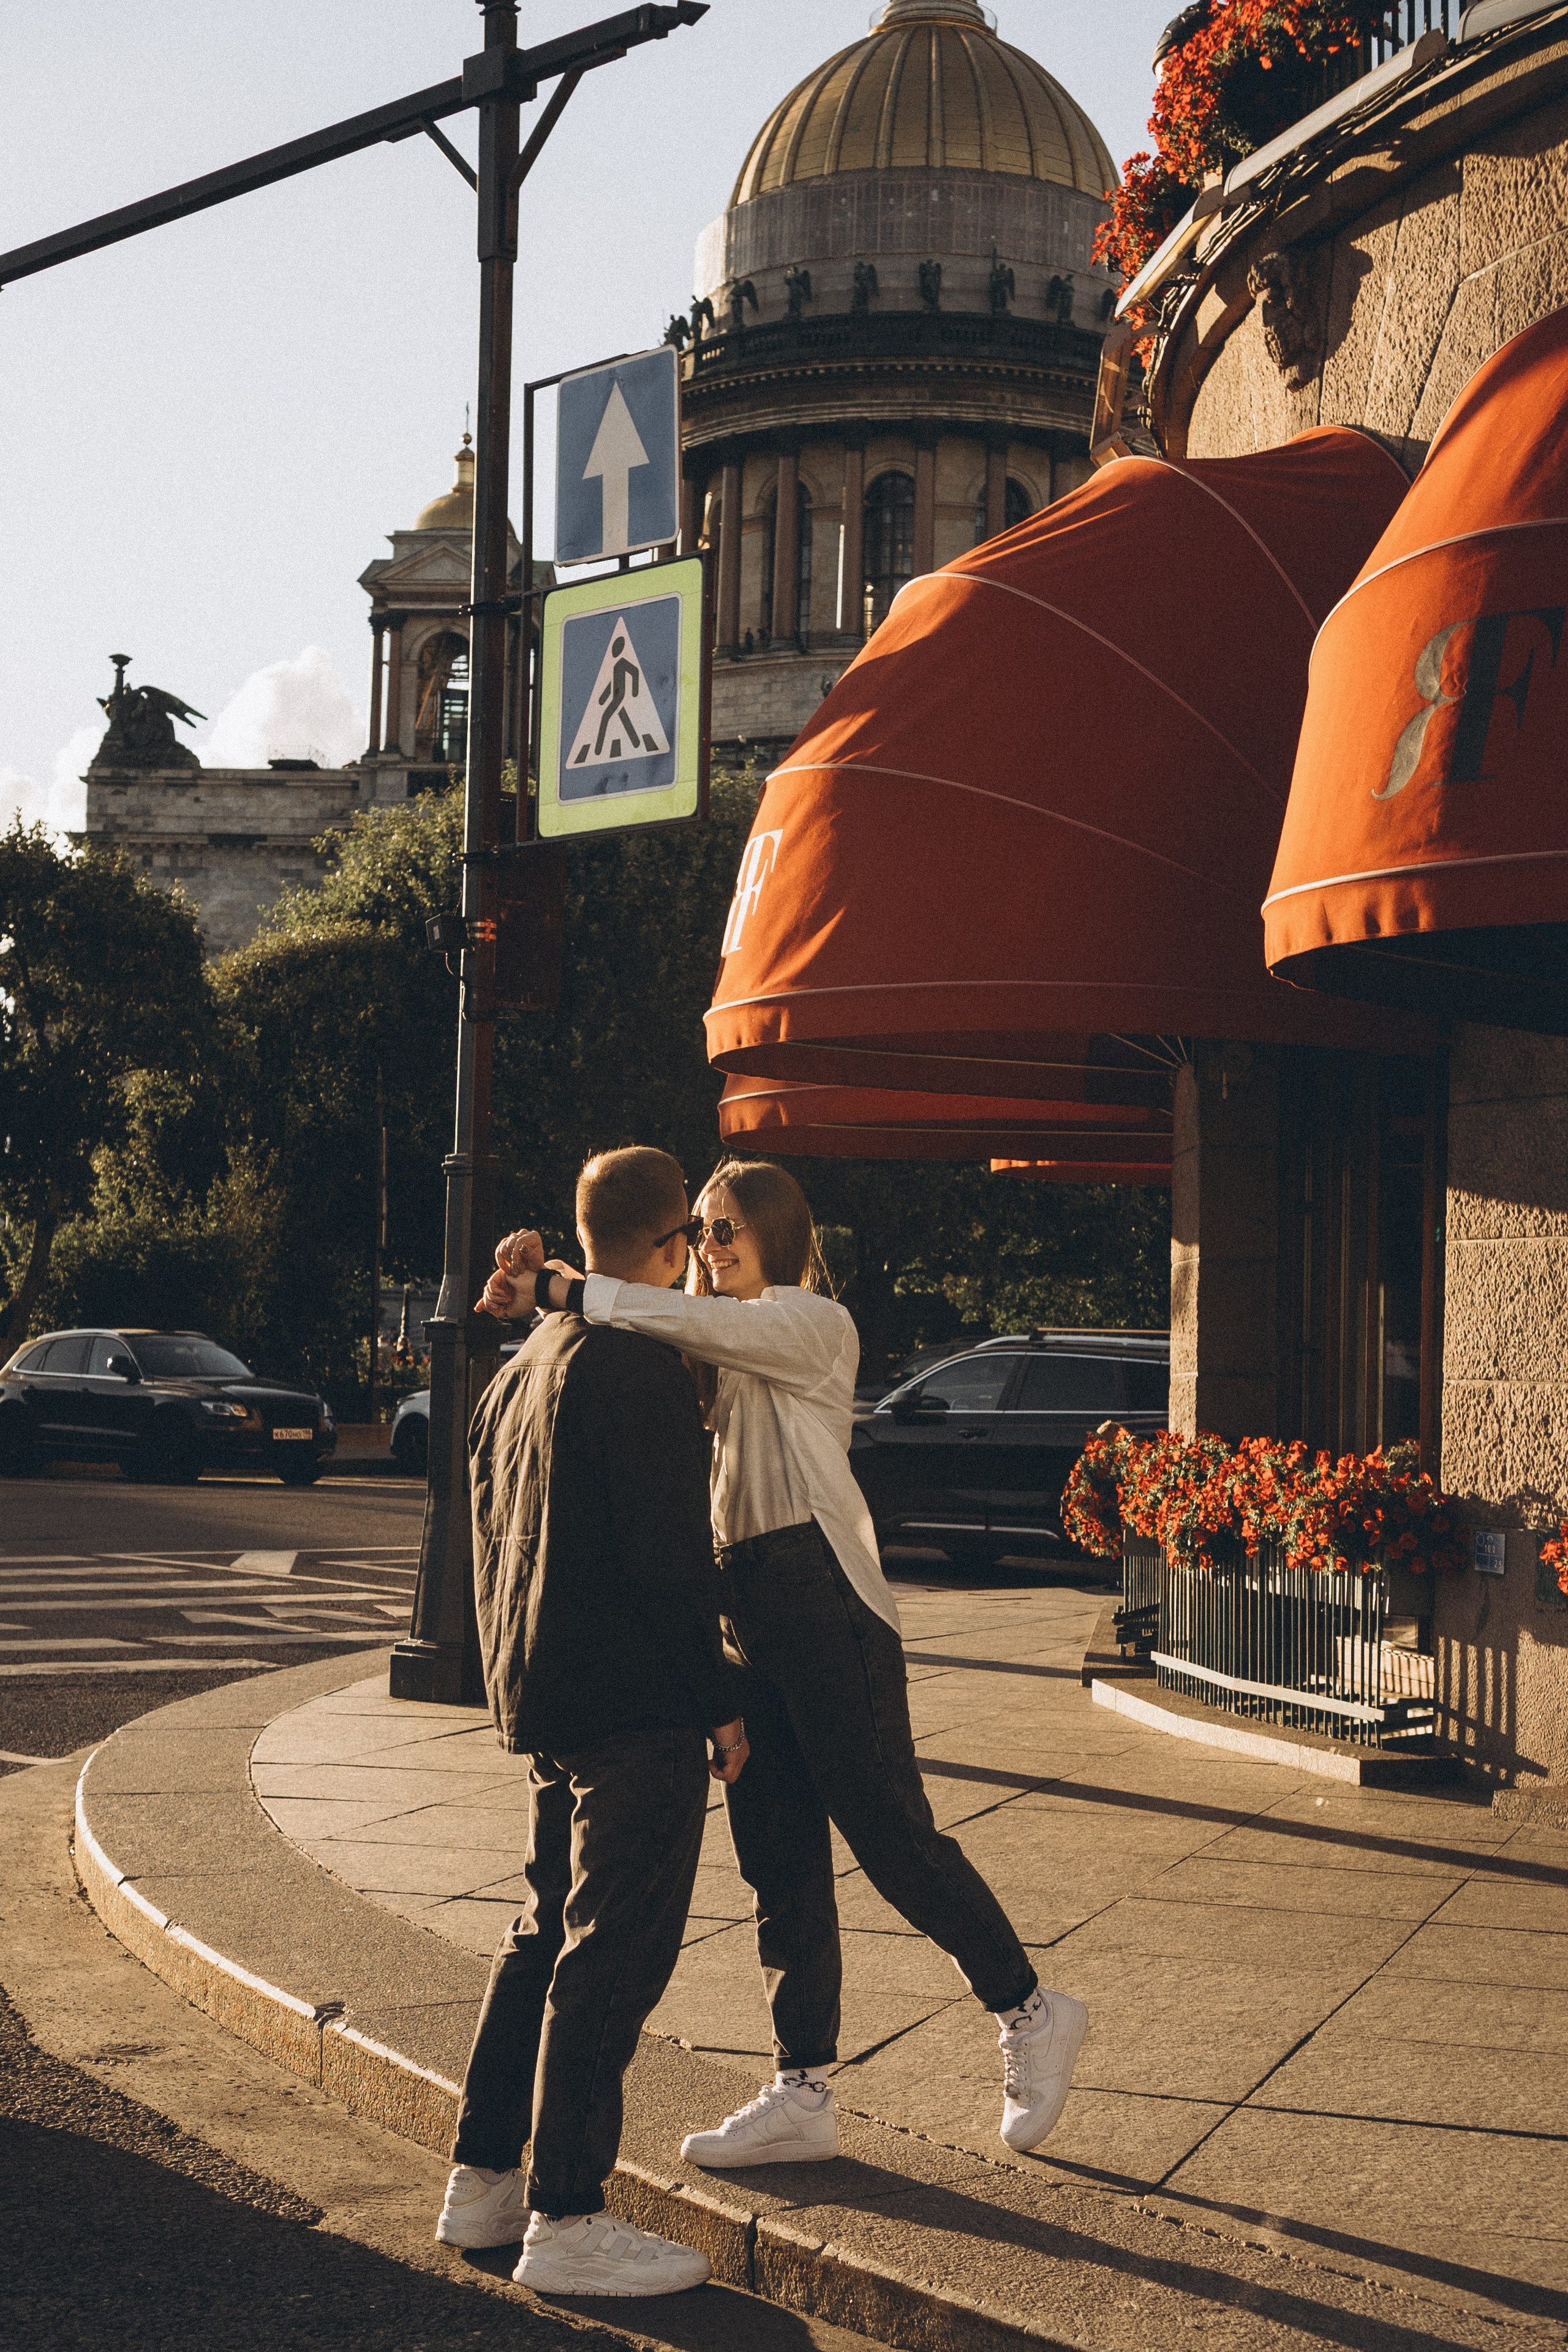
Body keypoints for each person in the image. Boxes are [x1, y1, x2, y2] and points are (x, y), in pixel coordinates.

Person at [480, 1155, 1088, 2169]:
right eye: (699, 1231)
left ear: (779, 1239)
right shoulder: (708, 1343)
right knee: (778, 1854)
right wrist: (528, 1294)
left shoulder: (810, 1325)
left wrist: (558, 1281)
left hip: (823, 1600)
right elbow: (632, 1336)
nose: (706, 1250)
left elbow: (669, 1315)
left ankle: (1028, 2007)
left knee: (888, 1830)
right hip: (745, 1606)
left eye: (725, 1231)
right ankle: (801, 2088)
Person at [438, 1146, 748, 2297]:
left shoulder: (524, 1366)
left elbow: (486, 1532)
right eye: (692, 1247)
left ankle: (482, 2179)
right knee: (609, 1957)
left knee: (541, 1932)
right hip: (633, 1706)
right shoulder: (638, 1369)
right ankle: (568, 2212)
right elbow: (671, 1566)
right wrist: (719, 1704)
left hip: (547, 1693)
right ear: (668, 1246)